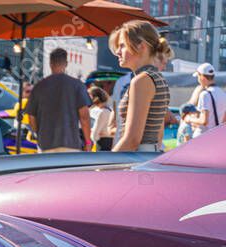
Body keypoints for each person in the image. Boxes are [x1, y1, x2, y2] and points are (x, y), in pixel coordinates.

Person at [111, 21, 171, 152]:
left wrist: (103, 169)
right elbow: (158, 134)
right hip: (148, 155)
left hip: (135, 159)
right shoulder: (157, 77)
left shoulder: (141, 81)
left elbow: (132, 140)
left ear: (141, 46)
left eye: (122, 46)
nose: (117, 51)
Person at [24, 49, 91, 153]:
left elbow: (31, 117)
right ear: (66, 64)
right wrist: (88, 142)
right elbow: (84, 117)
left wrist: (39, 133)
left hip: (46, 145)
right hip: (71, 144)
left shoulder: (39, 87)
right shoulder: (77, 85)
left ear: (50, 64)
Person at [184, 63, 226, 138]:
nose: (198, 80)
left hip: (202, 137)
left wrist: (189, 119)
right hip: (216, 137)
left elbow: (204, 121)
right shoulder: (223, 94)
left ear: (202, 77)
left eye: (198, 76)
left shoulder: (205, 94)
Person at [89, 86, 114, 151]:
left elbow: (95, 134)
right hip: (104, 142)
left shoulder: (103, 111)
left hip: (102, 144)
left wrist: (88, 143)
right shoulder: (105, 109)